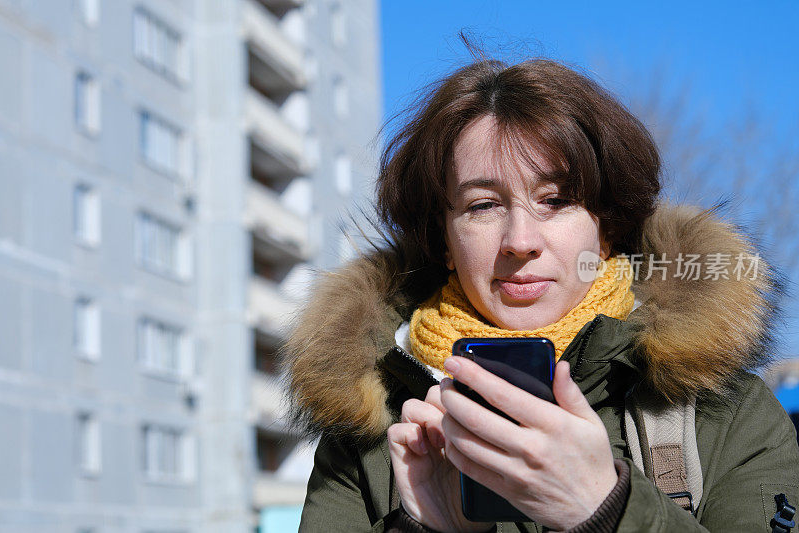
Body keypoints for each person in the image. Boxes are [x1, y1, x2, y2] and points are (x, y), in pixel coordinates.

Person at [284, 55, 799, 532]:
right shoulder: (369, 430)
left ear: (607, 227)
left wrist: (608, 508)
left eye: (555, 200)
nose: (521, 242)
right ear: (442, 238)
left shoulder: (724, 414)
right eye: (483, 206)